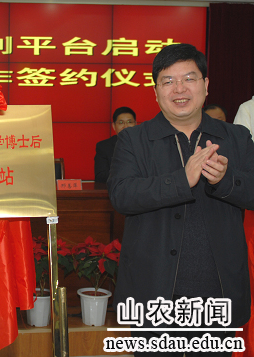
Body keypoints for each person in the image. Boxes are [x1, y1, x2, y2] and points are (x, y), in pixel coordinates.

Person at [108, 43, 254, 356]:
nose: (179, 89)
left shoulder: (236, 137)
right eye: (168, 81)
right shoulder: (134, 139)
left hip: (217, 294)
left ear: (206, 85)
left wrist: (225, 179)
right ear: (155, 91)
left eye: (189, 78)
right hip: (154, 295)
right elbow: (122, 195)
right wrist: (180, 181)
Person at [94, 107, 136, 183]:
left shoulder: (145, 145)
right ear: (114, 126)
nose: (125, 126)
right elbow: (100, 176)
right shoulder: (104, 147)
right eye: (121, 122)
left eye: (129, 122)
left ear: (135, 124)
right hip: (114, 188)